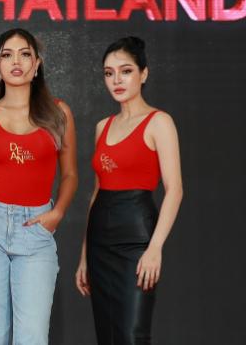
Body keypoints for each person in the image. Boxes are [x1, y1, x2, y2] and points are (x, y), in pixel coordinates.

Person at [0, 28, 78, 345]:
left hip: (36, 227)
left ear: (37, 64)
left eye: (25, 54)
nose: (16, 61)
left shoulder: (59, 113)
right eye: (7, 55)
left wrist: (57, 213)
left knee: (32, 336)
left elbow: (70, 174)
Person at [75, 37, 183, 345]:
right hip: (99, 241)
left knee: (133, 335)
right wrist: (84, 256)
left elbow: (175, 190)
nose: (117, 80)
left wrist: (155, 248)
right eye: (109, 73)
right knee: (107, 336)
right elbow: (96, 193)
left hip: (136, 238)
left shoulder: (159, 122)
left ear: (143, 73)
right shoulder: (102, 126)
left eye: (125, 71)